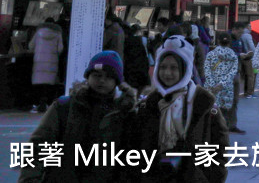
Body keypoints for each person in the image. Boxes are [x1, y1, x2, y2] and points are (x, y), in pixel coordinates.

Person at [19, 51, 136, 183]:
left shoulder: (125, 113)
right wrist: (30, 179)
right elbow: (39, 145)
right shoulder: (65, 107)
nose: (101, 80)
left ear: (117, 82)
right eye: (96, 75)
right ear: (88, 77)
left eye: (108, 77)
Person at [136, 35, 228, 182]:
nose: (167, 73)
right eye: (163, 67)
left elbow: (220, 147)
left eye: (174, 68)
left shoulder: (204, 105)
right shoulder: (148, 105)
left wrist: (211, 177)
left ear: (185, 69)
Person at [204, 31, 240, 137]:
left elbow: (207, 70)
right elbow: (232, 72)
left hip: (212, 88)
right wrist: (222, 84)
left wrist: (212, 85)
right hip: (226, 88)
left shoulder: (211, 54)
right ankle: (222, 137)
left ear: (218, 41)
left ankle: (211, 136)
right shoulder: (233, 56)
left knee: (212, 112)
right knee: (224, 114)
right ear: (230, 42)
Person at [29, 18, 64, 113]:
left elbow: (30, 46)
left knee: (38, 84)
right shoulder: (57, 33)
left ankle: (36, 105)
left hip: (39, 61)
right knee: (49, 85)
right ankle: (47, 105)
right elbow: (60, 48)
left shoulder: (38, 32)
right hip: (51, 62)